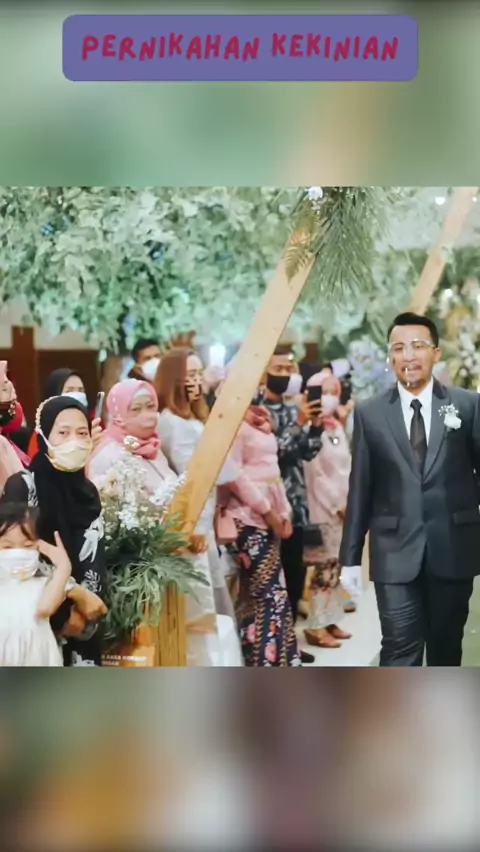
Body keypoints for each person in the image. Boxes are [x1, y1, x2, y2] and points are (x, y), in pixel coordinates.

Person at [340, 312, 480, 667]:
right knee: (399, 647)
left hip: (453, 547)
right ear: (390, 357)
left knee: (446, 647)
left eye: (417, 346)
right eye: (398, 348)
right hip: (394, 552)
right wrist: (350, 558)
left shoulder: (466, 405)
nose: (408, 355)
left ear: (435, 353)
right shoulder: (370, 413)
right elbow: (361, 486)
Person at [88, 377, 224, 667]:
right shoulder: (108, 455)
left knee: (190, 641)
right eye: (136, 409)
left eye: (151, 406)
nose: (147, 415)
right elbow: (116, 517)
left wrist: (188, 531)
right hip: (143, 572)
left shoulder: (153, 449)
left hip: (177, 560)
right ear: (118, 413)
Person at [2, 396, 108, 666]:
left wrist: (88, 612)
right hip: (37, 624)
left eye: (82, 433)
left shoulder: (88, 492)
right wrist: (68, 605)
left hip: (86, 626)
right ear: (44, 436)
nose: (74, 441)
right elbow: (13, 557)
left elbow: (94, 559)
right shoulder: (23, 487)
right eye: (63, 433)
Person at [155, 348, 239, 622]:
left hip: (208, 510)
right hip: (193, 519)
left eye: (198, 373)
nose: (196, 380)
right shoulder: (170, 421)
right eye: (189, 374)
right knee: (203, 601)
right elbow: (188, 475)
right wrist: (197, 526)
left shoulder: (193, 416)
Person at [218, 402, 300, 666]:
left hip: (268, 518)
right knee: (269, 594)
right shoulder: (232, 422)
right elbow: (235, 476)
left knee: (259, 595)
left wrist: (283, 512)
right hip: (246, 518)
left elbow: (272, 470)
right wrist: (268, 511)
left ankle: (260, 660)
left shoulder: (259, 417)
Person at [260, 349, 324, 664]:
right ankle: (275, 646)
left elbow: (306, 453)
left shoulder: (292, 407)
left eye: (289, 368)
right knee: (276, 582)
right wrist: (299, 423)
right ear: (264, 372)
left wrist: (315, 427)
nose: (285, 373)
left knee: (296, 579)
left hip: (297, 506)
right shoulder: (257, 411)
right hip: (271, 511)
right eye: (279, 368)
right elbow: (275, 453)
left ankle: (290, 644)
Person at [302, 371, 353, 648]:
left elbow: (346, 466)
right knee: (323, 571)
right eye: (324, 392)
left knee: (335, 567)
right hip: (322, 509)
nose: (331, 397)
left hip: (343, 508)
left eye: (335, 391)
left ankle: (331, 619)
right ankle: (316, 625)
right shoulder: (312, 431)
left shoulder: (335, 427)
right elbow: (315, 474)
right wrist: (336, 503)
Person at [0, 503, 73, 666]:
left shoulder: (44, 583)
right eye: (7, 546)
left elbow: (44, 609)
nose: (18, 552)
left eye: (27, 546)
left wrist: (64, 566)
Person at [27, 368, 101, 458]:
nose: (77, 395)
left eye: (81, 390)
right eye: (70, 390)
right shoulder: (41, 433)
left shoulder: (89, 428)